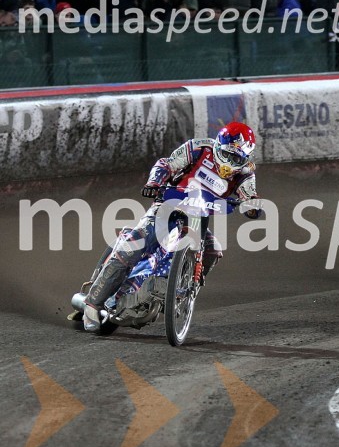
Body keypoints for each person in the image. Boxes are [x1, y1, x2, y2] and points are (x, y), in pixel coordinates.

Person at [81, 122, 262, 332]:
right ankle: (92, 304)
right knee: (135, 245)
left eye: (237, 159)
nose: (231, 163)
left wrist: (251, 207)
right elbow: (166, 164)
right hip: (168, 205)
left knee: (212, 250)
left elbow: (249, 195)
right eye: (229, 156)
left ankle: (186, 288)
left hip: (198, 218)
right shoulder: (199, 148)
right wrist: (154, 183)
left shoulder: (246, 172)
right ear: (219, 147)